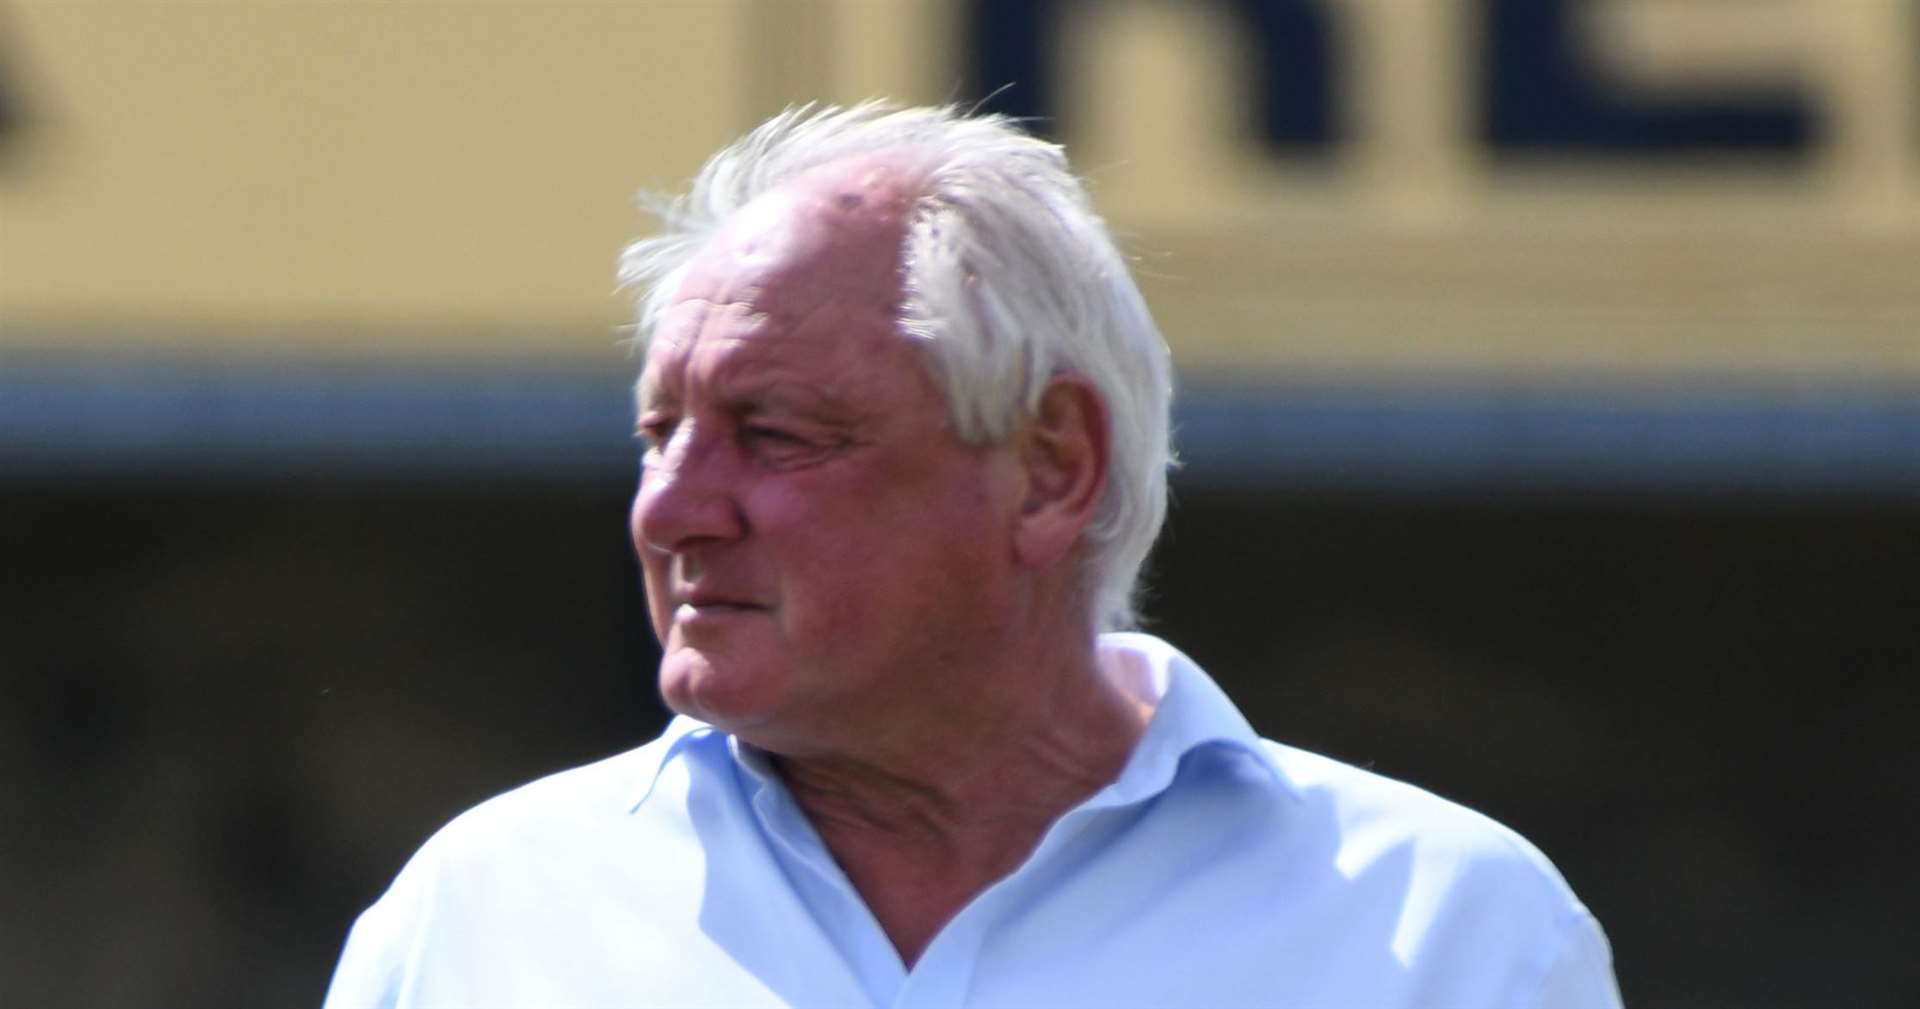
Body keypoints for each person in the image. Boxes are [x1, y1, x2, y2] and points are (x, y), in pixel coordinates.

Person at [322, 102, 1621, 1008]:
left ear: (1052, 466)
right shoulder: (484, 915)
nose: (672, 507)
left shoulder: (1451, 931)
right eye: (659, 433)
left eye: (771, 433)